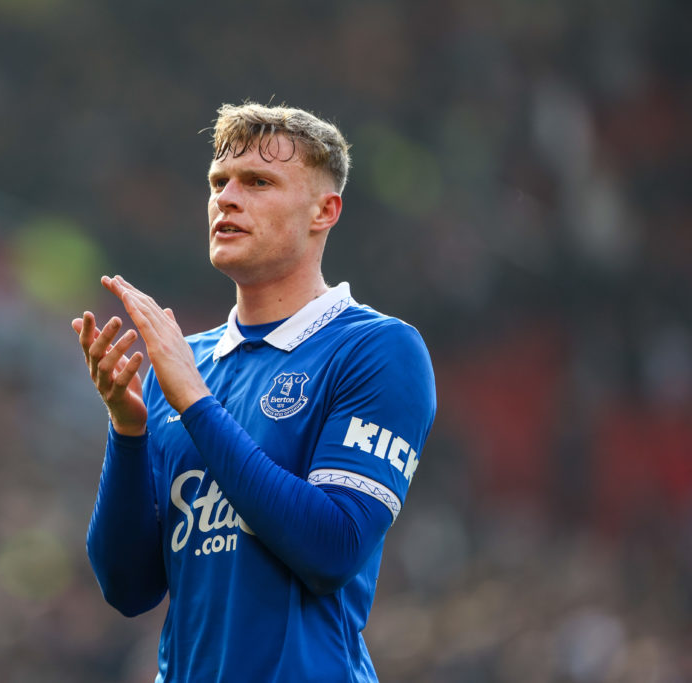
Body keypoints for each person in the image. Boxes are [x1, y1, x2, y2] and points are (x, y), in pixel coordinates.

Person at [72, 102, 437, 682]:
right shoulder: (184, 362)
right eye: (219, 183)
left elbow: (334, 546)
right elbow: (128, 588)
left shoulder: (377, 349)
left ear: (325, 210)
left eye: (258, 182)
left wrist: (194, 401)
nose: (227, 198)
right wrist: (128, 430)